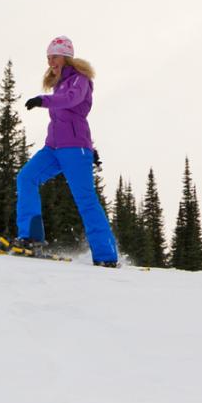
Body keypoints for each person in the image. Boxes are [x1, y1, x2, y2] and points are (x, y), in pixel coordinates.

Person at [16, 36, 120, 267]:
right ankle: (31, 238)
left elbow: (71, 101)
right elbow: (63, 108)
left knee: (86, 200)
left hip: (75, 149)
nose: (50, 62)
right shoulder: (59, 84)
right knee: (26, 178)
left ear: (66, 56)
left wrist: (43, 100)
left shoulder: (79, 80)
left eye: (54, 57)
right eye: (48, 58)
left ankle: (106, 256)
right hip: (53, 147)